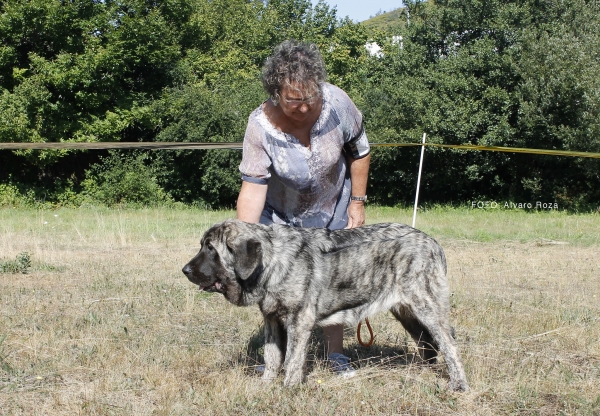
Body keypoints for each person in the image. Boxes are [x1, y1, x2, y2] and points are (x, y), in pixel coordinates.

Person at [236, 40, 370, 377]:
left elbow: (360, 151)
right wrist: (243, 243)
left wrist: (357, 202)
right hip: (281, 219)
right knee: (275, 287)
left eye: (311, 96)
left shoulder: (337, 103)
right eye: (294, 99)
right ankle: (276, 359)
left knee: (333, 284)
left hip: (332, 210)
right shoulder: (260, 126)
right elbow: (252, 189)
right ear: (275, 93)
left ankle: (336, 355)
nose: (304, 106)